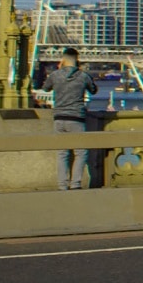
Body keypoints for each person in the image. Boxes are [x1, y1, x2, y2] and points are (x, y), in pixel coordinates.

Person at [44, 47, 99, 189]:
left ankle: (62, 184)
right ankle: (75, 183)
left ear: (63, 59)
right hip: (76, 118)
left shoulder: (55, 75)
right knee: (81, 152)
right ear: (77, 59)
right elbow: (94, 90)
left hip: (59, 117)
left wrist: (58, 69)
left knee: (62, 152)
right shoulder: (83, 76)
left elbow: (45, 88)